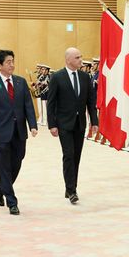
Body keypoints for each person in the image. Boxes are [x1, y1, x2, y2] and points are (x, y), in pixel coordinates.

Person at [0, 49, 38, 215]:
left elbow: (28, 105)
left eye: (12, 61)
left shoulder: (21, 82)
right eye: (8, 62)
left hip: (19, 131)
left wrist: (33, 125)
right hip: (1, 132)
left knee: (18, 161)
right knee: (4, 166)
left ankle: (0, 188)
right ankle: (12, 201)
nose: (12, 65)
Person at [47, 47, 98, 204]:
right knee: (68, 155)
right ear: (68, 59)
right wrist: (52, 124)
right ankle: (71, 190)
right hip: (64, 124)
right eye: (77, 57)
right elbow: (51, 102)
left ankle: (70, 186)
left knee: (76, 156)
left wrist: (94, 122)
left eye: (80, 57)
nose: (80, 60)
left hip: (80, 123)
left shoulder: (84, 77)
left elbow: (91, 101)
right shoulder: (57, 77)